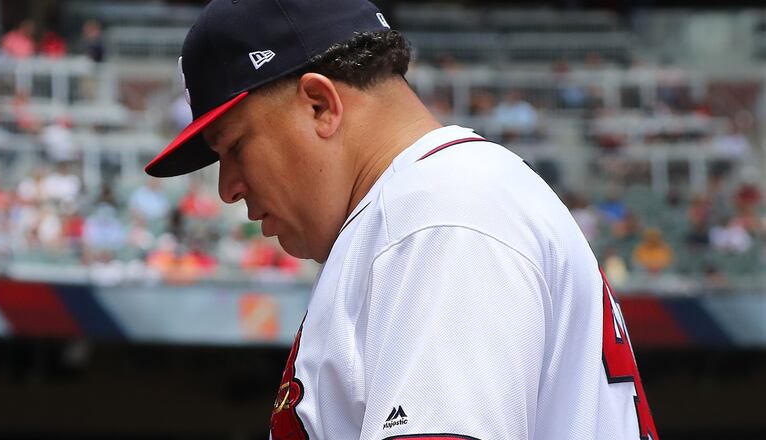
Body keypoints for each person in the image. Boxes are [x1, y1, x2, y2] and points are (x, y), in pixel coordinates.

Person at [145, 1, 659, 439]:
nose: (228, 188)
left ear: (320, 105)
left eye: (235, 147)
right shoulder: (428, 206)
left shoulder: (439, 215)